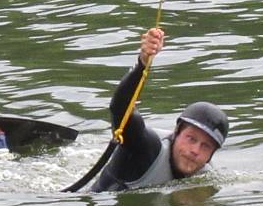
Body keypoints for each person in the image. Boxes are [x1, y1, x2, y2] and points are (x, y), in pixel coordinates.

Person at [90, 27, 229, 192]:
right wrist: (142, 63)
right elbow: (120, 108)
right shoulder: (145, 147)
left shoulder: (205, 177)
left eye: (205, 146)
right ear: (176, 132)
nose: (195, 151)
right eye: (191, 138)